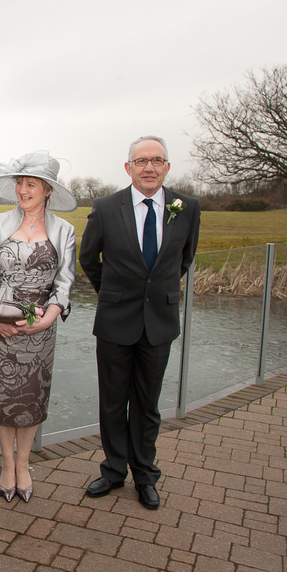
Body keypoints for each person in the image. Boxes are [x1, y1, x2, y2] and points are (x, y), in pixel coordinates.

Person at [79, 136, 200, 510]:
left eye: (157, 160)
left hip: (160, 321)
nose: (149, 167)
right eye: (141, 161)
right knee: (113, 402)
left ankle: (145, 475)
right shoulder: (106, 207)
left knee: (148, 405)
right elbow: (89, 257)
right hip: (115, 320)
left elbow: (184, 259)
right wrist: (112, 293)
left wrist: (157, 291)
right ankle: (114, 471)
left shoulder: (187, 208)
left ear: (167, 166)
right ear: (128, 167)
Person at [0, 151, 77, 503]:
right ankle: (6, 462)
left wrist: (48, 317)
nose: (23, 190)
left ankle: (24, 463)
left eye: (31, 184)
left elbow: (65, 282)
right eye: (19, 183)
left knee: (30, 399)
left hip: (40, 330)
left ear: (48, 190)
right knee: (2, 397)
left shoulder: (65, 230)